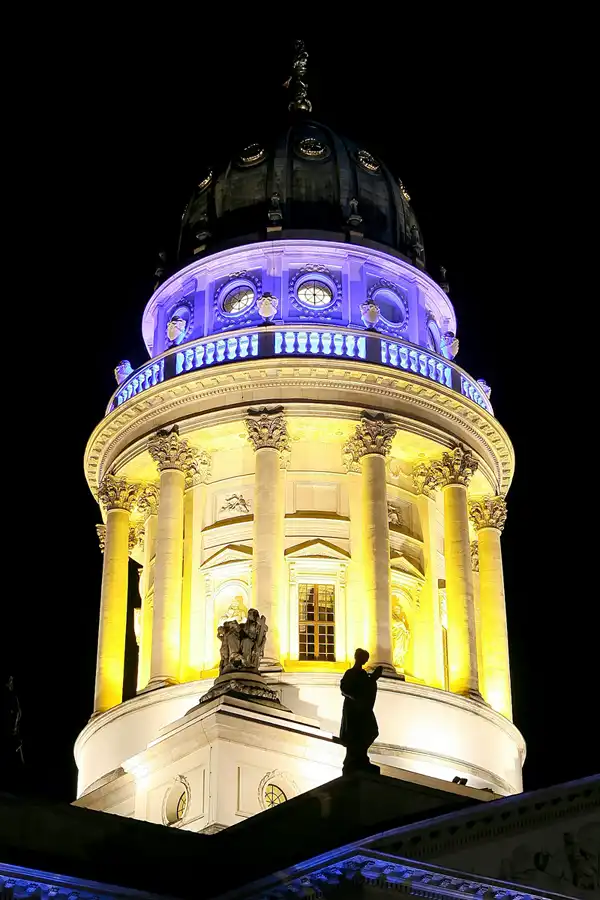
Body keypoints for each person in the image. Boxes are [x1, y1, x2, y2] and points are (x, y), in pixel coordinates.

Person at [339, 649, 383, 774]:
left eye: (365, 658)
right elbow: (344, 688)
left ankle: (359, 757)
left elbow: (368, 687)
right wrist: (355, 697)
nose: (364, 660)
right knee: (355, 734)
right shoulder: (350, 672)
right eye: (363, 657)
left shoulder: (363, 675)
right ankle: (354, 759)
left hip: (362, 710)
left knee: (371, 731)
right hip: (353, 710)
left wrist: (374, 678)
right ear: (357, 658)